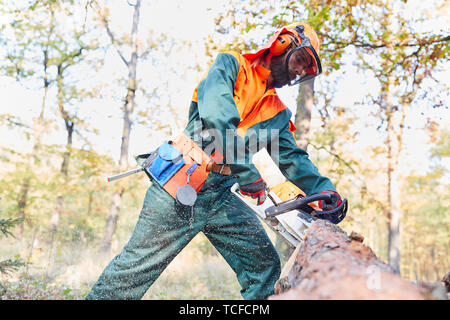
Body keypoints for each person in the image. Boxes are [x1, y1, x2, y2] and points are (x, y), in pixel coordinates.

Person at [86, 22, 344, 300]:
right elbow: (219, 118)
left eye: (306, 69)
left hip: (222, 193)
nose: (300, 70)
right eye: (301, 60)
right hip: (181, 182)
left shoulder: (278, 113)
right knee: (133, 272)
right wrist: (248, 174)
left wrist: (325, 192)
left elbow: (293, 159)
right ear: (281, 44)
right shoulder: (231, 66)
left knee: (263, 267)